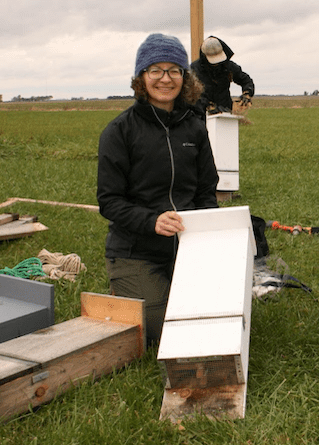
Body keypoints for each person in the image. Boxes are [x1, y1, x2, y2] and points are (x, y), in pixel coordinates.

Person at [97, 33, 219, 345]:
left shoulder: (195, 127)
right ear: (142, 77)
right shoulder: (119, 131)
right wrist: (151, 221)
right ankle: (126, 285)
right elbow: (109, 201)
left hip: (187, 247)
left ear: (184, 77)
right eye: (156, 70)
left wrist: (207, 238)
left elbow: (206, 190)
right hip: (136, 250)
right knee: (164, 331)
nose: (165, 79)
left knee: (212, 318)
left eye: (174, 70)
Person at [190, 36, 255, 114]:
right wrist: (207, 106)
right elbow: (191, 93)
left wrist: (247, 94)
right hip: (201, 114)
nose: (217, 64)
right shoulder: (195, 69)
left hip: (226, 111)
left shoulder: (228, 66)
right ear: (205, 57)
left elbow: (246, 80)